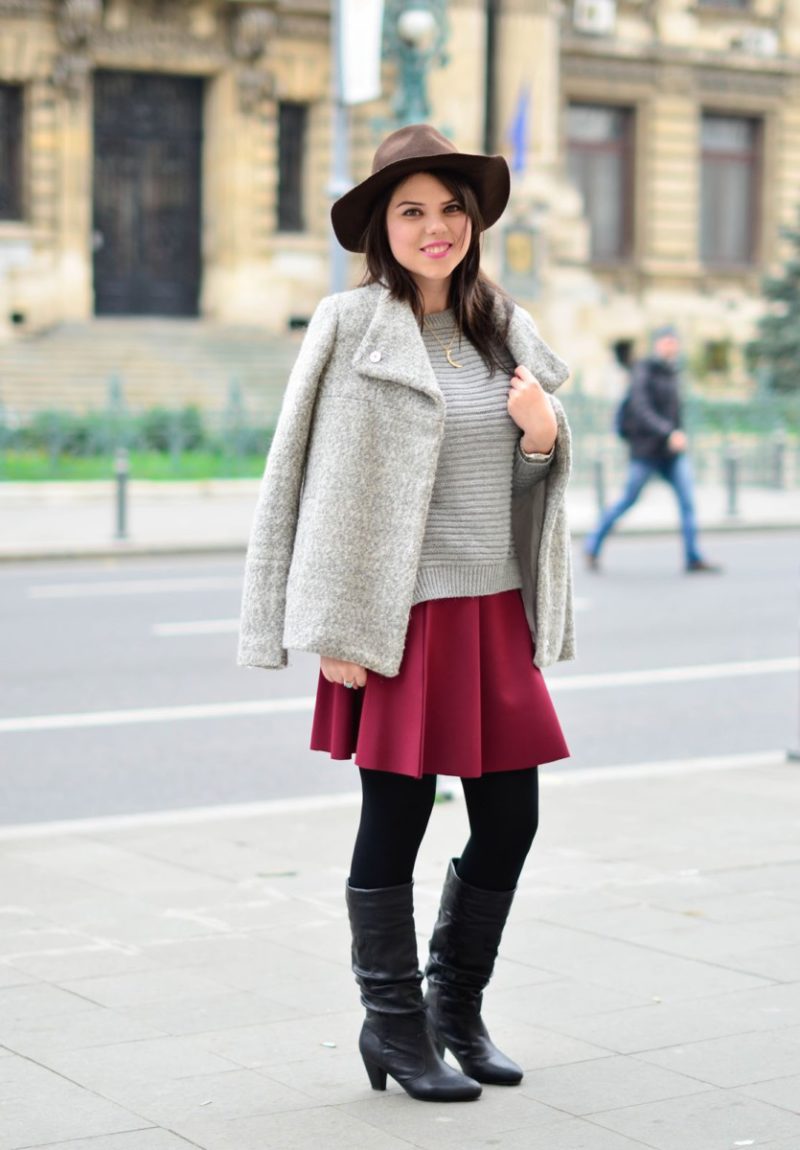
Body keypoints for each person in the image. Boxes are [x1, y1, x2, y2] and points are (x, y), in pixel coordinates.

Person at [238, 124, 575, 1103]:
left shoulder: (501, 327)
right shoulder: (349, 325)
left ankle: (452, 1008)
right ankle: (391, 1024)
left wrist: (542, 438)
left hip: (493, 610)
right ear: (381, 229)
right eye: (412, 211)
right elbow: (304, 479)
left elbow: (524, 486)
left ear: (473, 221)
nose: (436, 228)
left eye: (451, 209)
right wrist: (327, 625)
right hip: (392, 618)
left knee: (510, 820)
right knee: (395, 814)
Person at [584, 325, 721, 573]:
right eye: (666, 341)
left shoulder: (673, 372)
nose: (671, 346)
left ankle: (693, 557)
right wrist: (668, 432)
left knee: (687, 501)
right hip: (647, 451)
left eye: (673, 342)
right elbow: (641, 408)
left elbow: (675, 412)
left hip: (672, 453)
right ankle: (592, 545)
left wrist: (676, 434)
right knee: (628, 499)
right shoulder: (643, 370)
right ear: (657, 344)